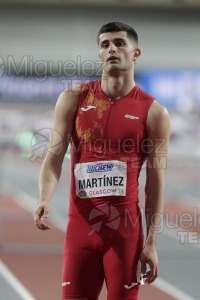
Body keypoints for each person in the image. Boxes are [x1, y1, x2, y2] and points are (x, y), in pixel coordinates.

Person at [34, 22, 170, 300]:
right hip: (80, 228)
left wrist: (152, 242)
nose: (111, 49)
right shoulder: (73, 99)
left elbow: (155, 183)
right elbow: (54, 155)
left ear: (136, 53)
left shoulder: (154, 112)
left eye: (119, 43)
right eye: (105, 44)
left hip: (126, 234)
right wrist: (44, 198)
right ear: (98, 54)